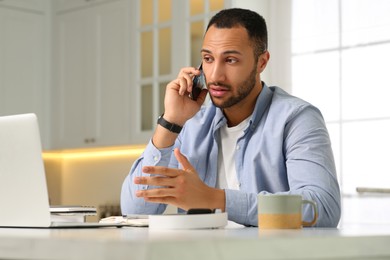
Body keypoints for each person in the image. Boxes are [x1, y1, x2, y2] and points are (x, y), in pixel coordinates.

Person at [121, 8, 341, 227]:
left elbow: (321, 208)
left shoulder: (296, 119)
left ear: (262, 62)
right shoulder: (190, 124)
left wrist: (215, 199)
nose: (215, 75)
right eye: (208, 58)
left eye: (231, 60)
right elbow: (133, 211)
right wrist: (170, 121)